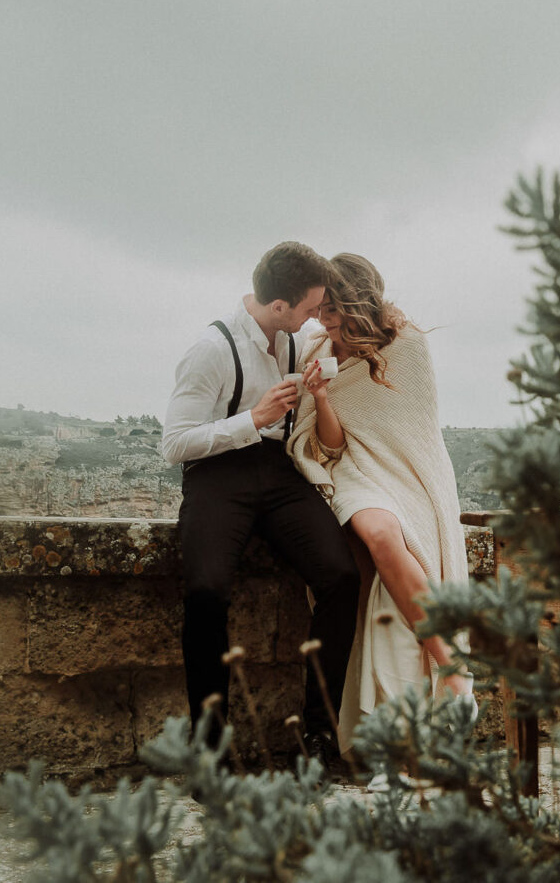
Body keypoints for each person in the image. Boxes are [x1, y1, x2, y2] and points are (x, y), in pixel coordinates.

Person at [160, 241, 360, 765]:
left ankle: (318, 738)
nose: (317, 317)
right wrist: (252, 419)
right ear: (279, 307)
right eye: (311, 308)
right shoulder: (212, 348)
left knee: (341, 576)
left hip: (279, 472)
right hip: (217, 476)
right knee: (205, 591)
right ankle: (209, 750)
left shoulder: (296, 341)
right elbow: (174, 443)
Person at [287, 252, 473, 758]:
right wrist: (321, 397)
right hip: (352, 472)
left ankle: (450, 675)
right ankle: (450, 663)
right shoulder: (316, 350)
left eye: (329, 307)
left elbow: (415, 431)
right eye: (319, 308)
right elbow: (330, 446)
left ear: (353, 301)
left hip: (406, 471)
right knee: (381, 535)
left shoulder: (406, 345)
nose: (321, 317)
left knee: (399, 548)